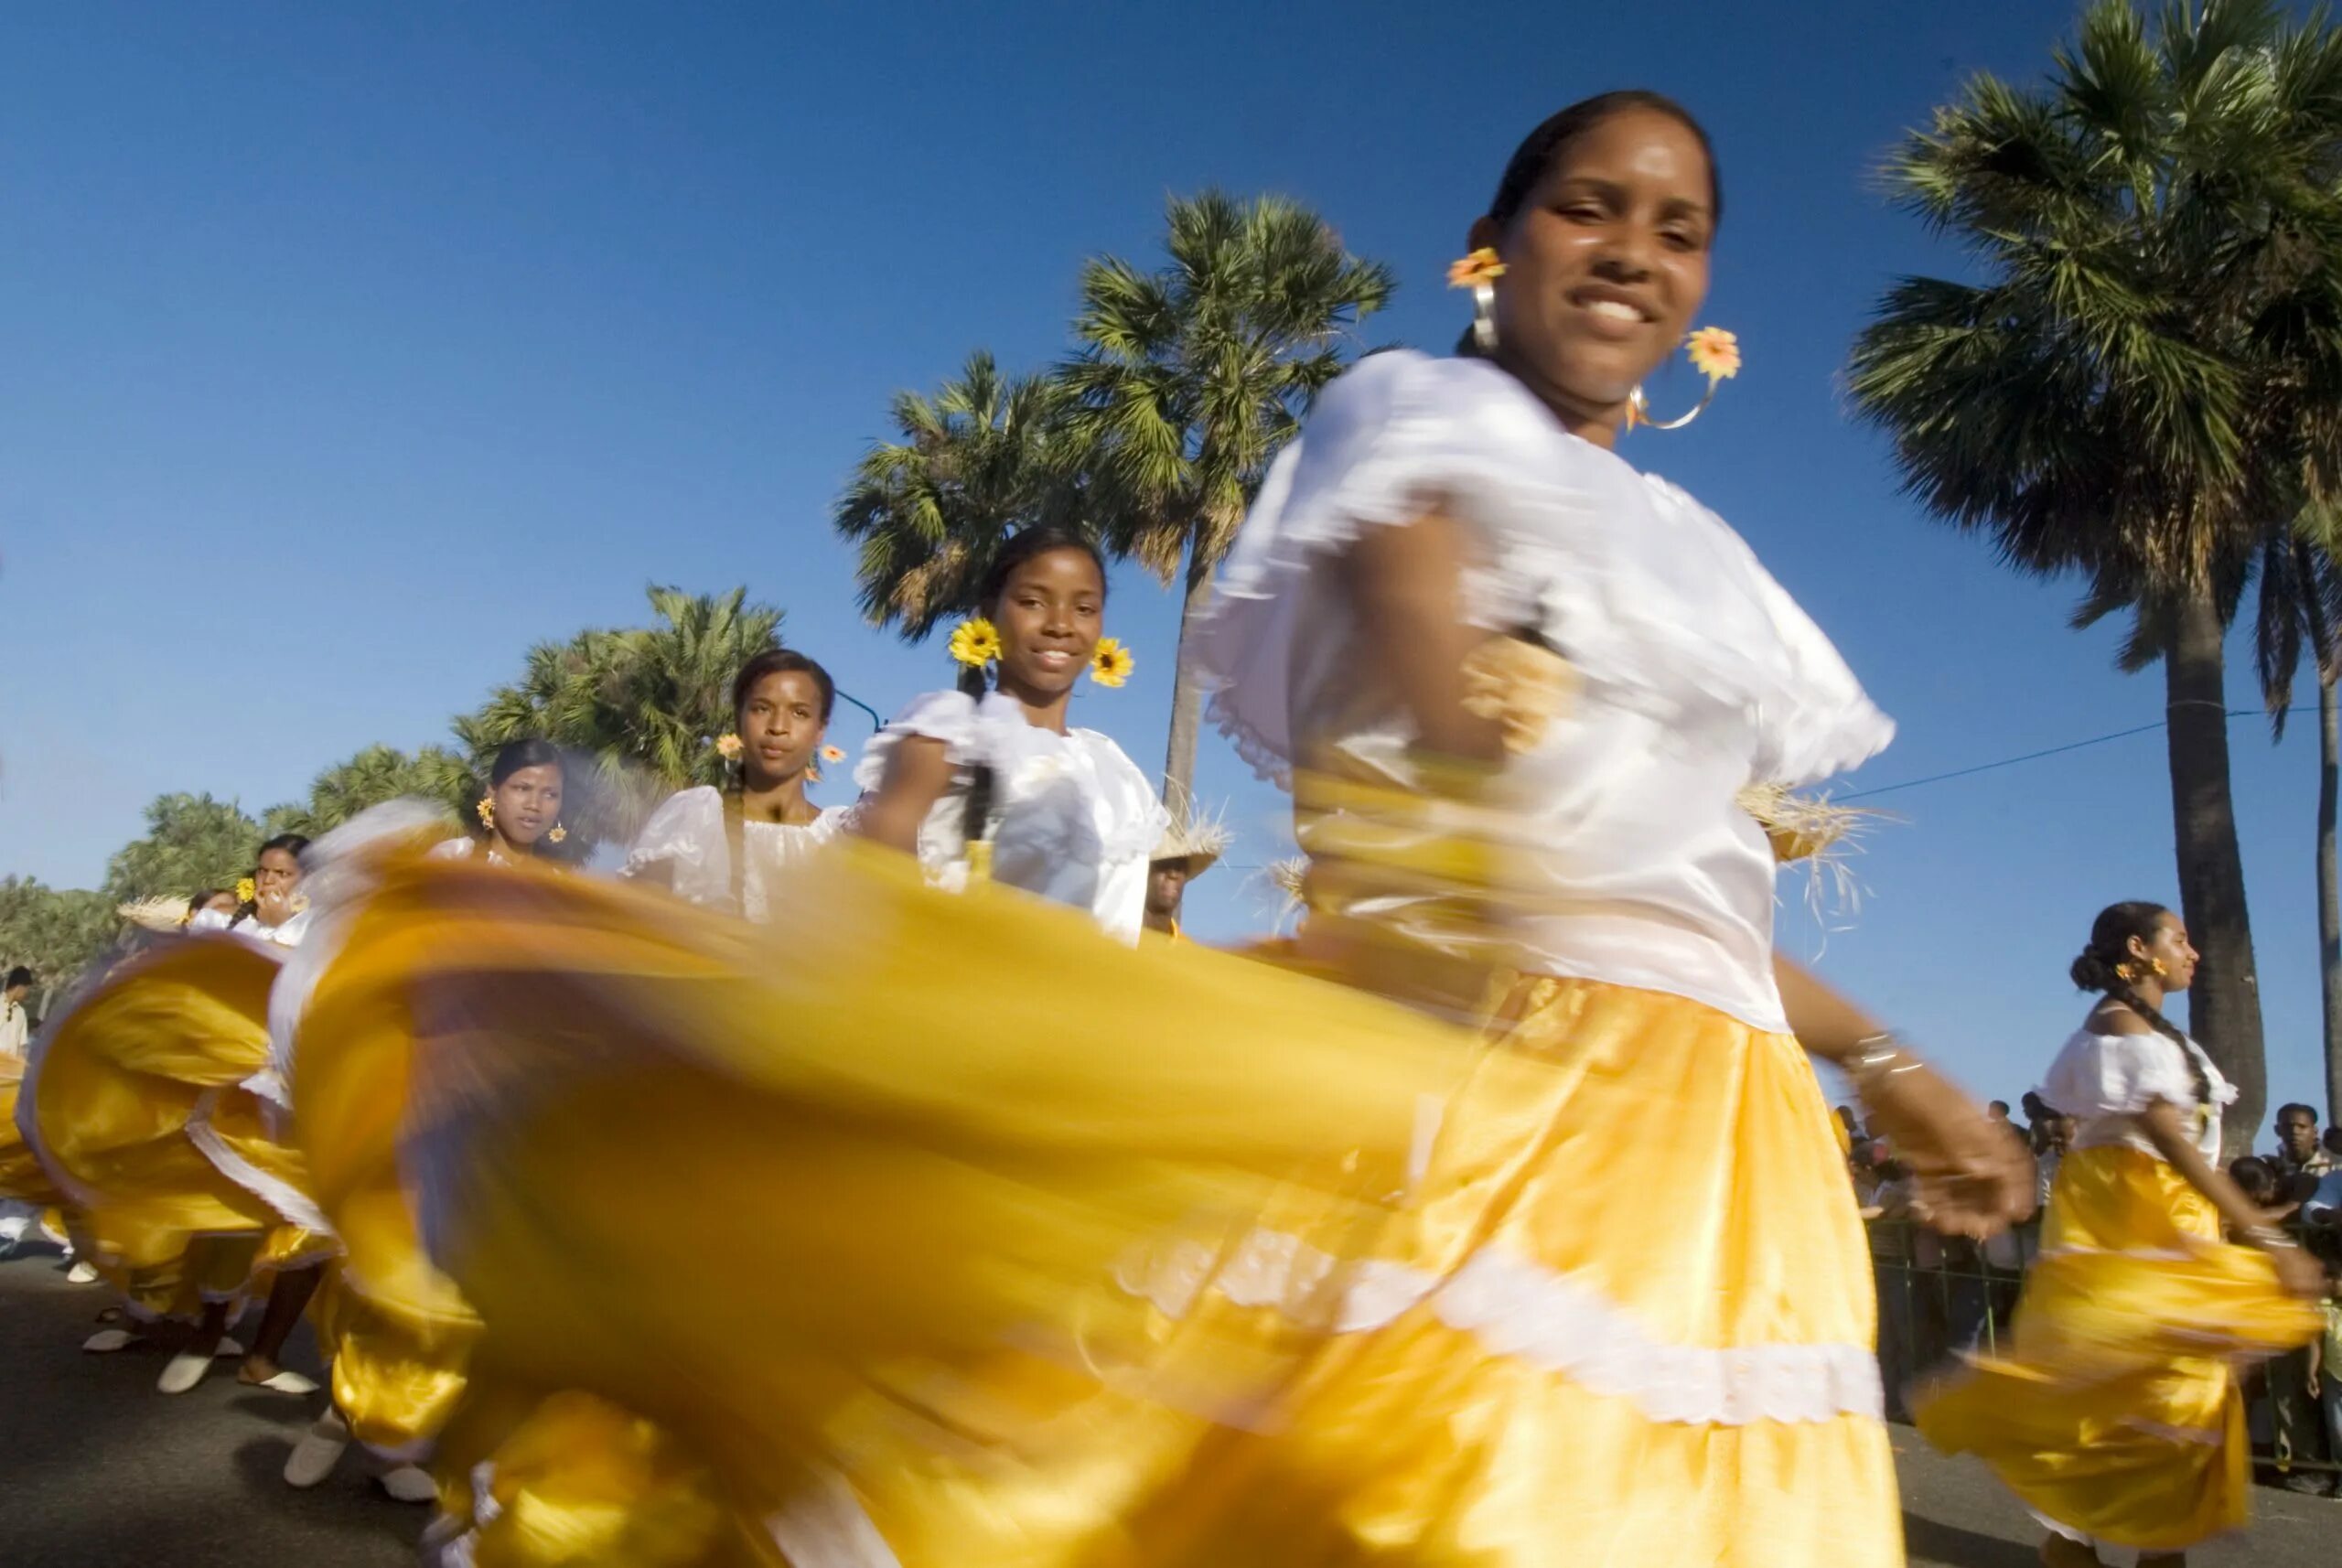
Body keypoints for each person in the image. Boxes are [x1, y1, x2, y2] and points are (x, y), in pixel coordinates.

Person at [1918, 902, 2324, 1563]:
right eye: (2181, 939)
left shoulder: (2154, 1033)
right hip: (2143, 1243)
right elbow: (2179, 1149)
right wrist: (2271, 1239)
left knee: (2163, 1429)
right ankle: (2082, 1545)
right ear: (2141, 949)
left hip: (2171, 1239)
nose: (2193, 952)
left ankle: (2101, 1545)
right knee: (2144, 1419)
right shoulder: (2120, 1031)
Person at [852, 525, 1168, 942]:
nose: (1060, 624)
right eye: (1033, 602)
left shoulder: (1115, 768)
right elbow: (881, 858)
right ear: (990, 614)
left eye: (1084, 609)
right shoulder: (952, 728)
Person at [625, 650, 845, 918]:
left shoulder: (840, 838)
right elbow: (639, 925)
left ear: (820, 730)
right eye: (761, 708)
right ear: (739, 720)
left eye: (799, 713)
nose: (777, 726)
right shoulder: (697, 822)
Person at [441, 739, 571, 865]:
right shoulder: (451, 859)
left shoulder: (556, 883)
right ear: (492, 792)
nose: (534, 805)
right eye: (522, 789)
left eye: (550, 795)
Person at [1142, 811, 1230, 940]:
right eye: (1162, 865)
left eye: (1179, 868)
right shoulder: (1115, 937)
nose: (1172, 874)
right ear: (1144, 871)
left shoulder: (1187, 951)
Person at [2276, 1102, 2337, 1179]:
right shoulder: (2272, 1169)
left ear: (2315, 1132)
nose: (2294, 1131)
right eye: (2287, 1126)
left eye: (2302, 1127)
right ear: (2277, 1130)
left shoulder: (2335, 1164)